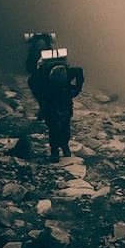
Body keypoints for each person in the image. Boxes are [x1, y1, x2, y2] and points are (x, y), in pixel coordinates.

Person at [26, 34, 84, 163]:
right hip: (57, 95)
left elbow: (32, 83)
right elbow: (79, 71)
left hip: (58, 95)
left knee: (57, 123)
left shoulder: (46, 75)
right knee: (60, 122)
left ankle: (58, 150)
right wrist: (76, 89)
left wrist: (76, 90)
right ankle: (61, 148)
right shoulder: (47, 74)